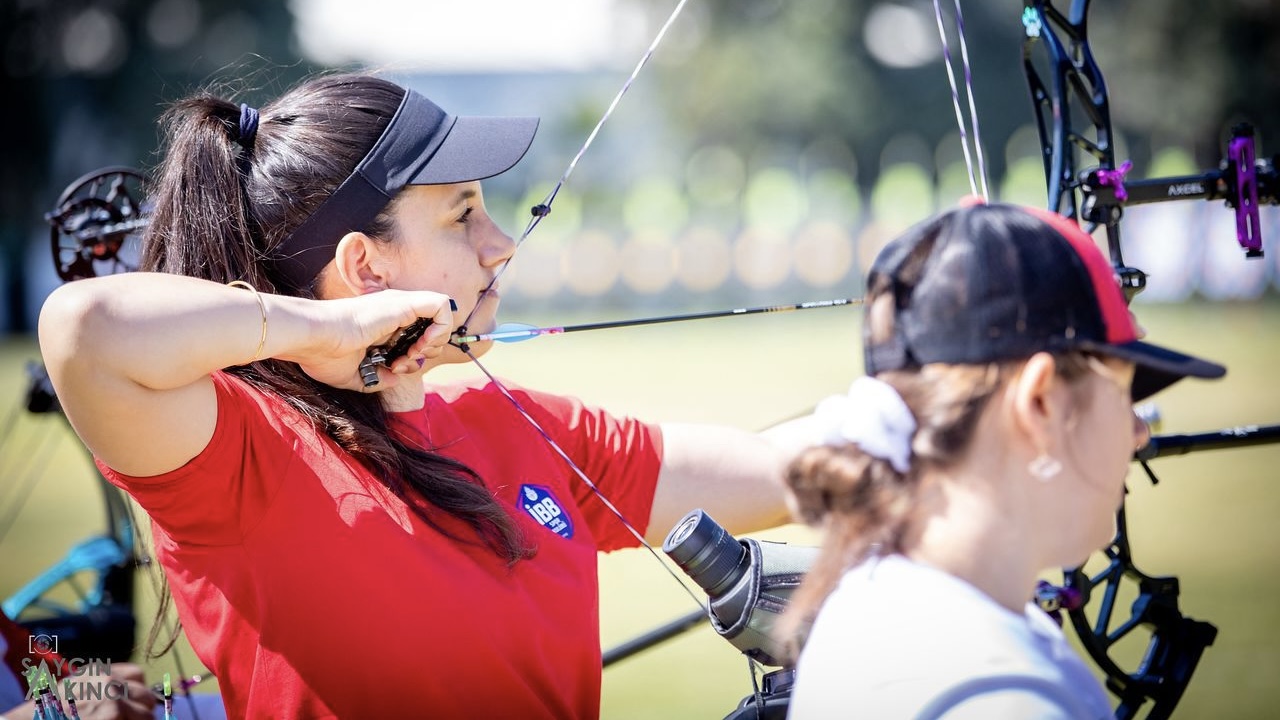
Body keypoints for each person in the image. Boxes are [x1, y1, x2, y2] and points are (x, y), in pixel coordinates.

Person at [35, 73, 794, 719]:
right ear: (365, 269)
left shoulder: (516, 424)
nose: (501, 245)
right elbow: (84, 328)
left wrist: (906, 401)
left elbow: (788, 469)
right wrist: (329, 330)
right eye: (464, 214)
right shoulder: (238, 454)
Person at [780, 202, 1226, 718]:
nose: (1139, 433)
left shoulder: (882, 602)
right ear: (1040, 403)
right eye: (1124, 394)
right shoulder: (1001, 695)